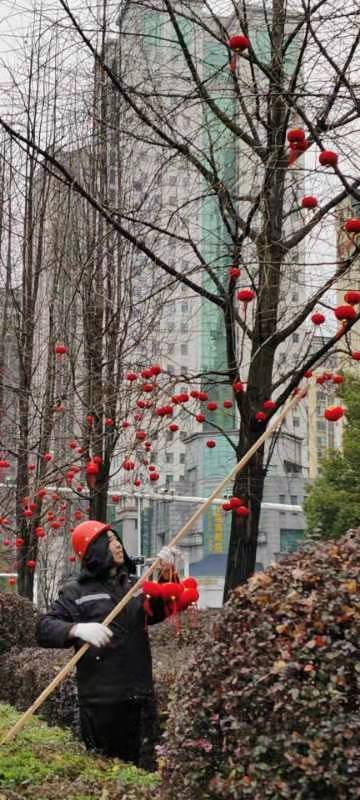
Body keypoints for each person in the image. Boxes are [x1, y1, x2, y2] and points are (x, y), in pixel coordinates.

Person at [36, 520, 169, 767]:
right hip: (103, 704)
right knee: (110, 770)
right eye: (109, 541)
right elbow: (44, 628)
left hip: (141, 697)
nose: (118, 545)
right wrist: (76, 629)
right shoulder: (76, 592)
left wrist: (165, 576)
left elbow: (157, 613)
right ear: (93, 550)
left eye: (116, 539)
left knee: (146, 770)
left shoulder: (132, 586)